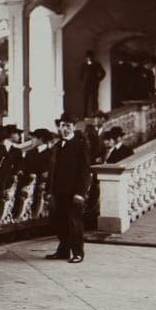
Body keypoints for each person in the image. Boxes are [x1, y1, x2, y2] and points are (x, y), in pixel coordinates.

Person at [46, 113, 91, 264]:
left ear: (73, 127)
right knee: (58, 221)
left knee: (75, 223)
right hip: (58, 192)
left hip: (73, 192)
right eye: (62, 126)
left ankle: (78, 253)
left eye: (68, 126)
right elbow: (52, 171)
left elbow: (85, 171)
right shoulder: (57, 146)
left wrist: (80, 193)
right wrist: (49, 191)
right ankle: (63, 250)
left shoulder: (80, 144)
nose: (65, 129)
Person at [79, 50, 106, 117]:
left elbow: (103, 73)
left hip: (94, 85)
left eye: (90, 57)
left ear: (93, 57)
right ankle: (84, 114)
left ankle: (94, 113)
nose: (89, 58)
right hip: (86, 85)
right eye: (88, 57)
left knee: (94, 100)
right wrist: (84, 80)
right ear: (86, 57)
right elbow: (80, 74)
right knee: (85, 100)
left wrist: (98, 79)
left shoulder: (97, 64)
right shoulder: (83, 65)